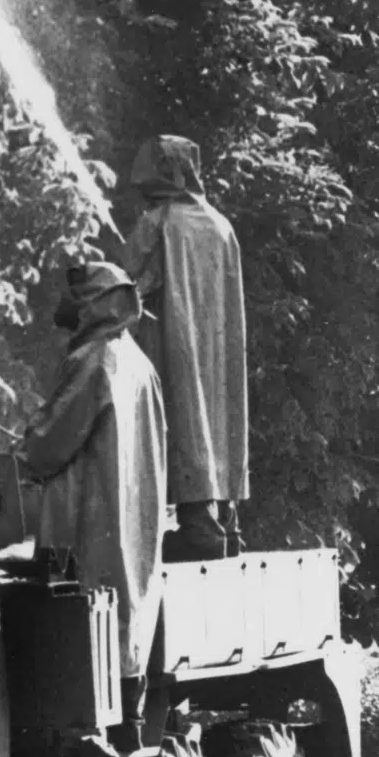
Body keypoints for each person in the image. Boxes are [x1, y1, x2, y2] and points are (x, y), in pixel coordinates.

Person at [20, 262, 167, 728]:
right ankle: (127, 716)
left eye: (74, 295)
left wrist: (24, 448)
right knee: (126, 611)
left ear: (94, 305)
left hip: (92, 513)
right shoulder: (139, 363)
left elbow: (48, 446)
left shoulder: (95, 360)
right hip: (131, 511)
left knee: (84, 615)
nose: (64, 304)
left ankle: (95, 727)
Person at [121, 135, 248, 559]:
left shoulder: (159, 222)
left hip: (174, 343)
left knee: (184, 417)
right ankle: (226, 523)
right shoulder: (221, 225)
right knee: (219, 417)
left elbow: (127, 289)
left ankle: (198, 529)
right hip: (220, 348)